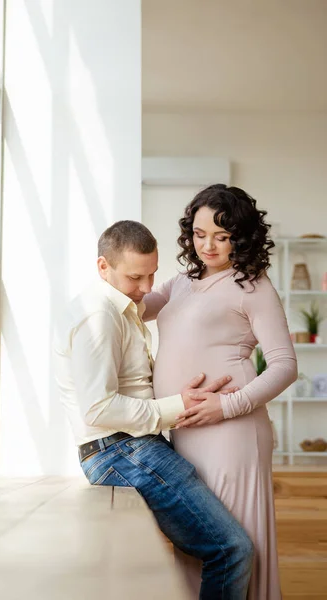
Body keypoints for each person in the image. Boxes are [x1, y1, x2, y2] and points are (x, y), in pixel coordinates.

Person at [54, 220, 254, 600]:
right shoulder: (99, 316)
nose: (146, 288)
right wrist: (180, 405)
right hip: (122, 450)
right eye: (135, 277)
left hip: (127, 449)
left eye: (152, 274)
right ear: (103, 267)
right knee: (232, 550)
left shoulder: (118, 306)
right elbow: (98, 408)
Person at [143, 184, 298, 600]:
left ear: (240, 236)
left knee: (231, 543)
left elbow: (285, 366)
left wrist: (226, 407)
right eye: (199, 233)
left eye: (221, 235)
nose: (207, 245)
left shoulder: (253, 285)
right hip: (186, 430)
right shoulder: (181, 281)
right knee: (198, 542)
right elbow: (134, 305)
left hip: (232, 432)